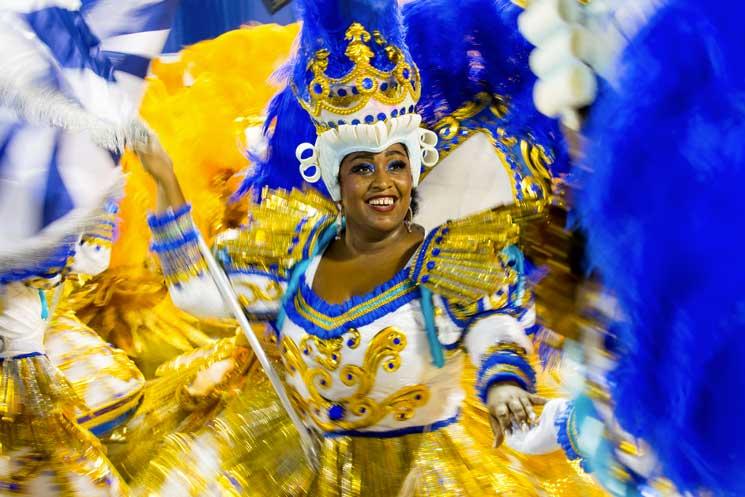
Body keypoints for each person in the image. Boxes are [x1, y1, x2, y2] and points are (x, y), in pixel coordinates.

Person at [130, 1, 606, 495]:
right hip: (301, 467)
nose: (383, 183)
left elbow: (495, 335)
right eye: (362, 167)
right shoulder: (295, 248)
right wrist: (165, 180)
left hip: (424, 476)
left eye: (396, 164)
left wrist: (510, 387)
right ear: (332, 176)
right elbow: (196, 294)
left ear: (415, 166)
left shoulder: (453, 256)